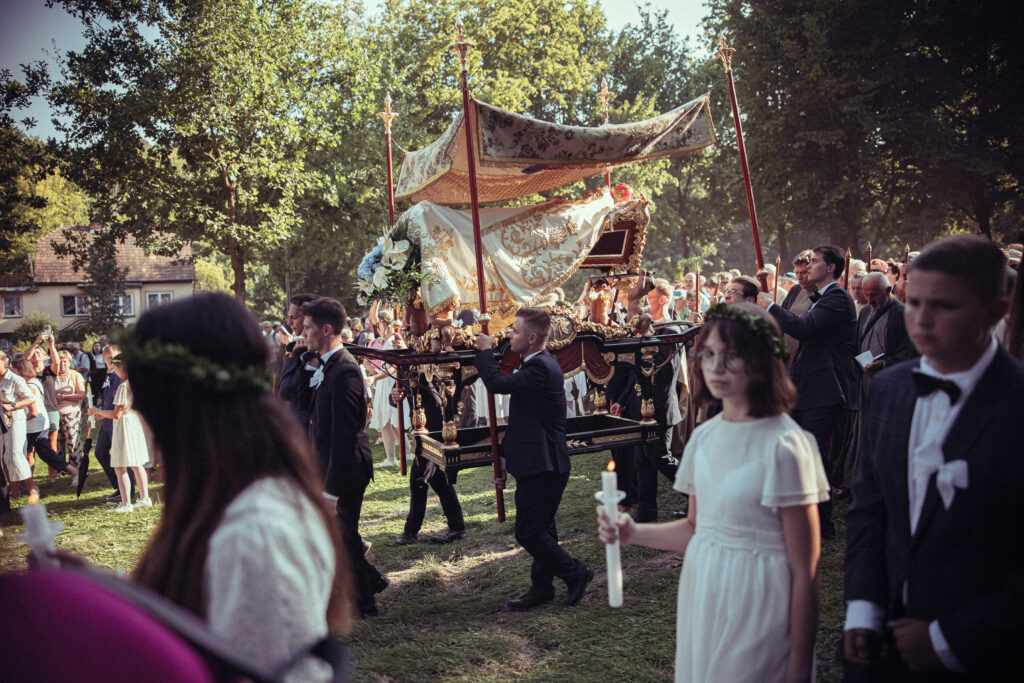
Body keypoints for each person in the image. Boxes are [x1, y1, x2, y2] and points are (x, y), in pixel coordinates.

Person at [104, 292, 355, 681]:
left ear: (183, 410)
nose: (140, 413)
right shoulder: (228, 500)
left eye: (151, 406)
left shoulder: (255, 535)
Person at [598, 303, 827, 683]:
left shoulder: (786, 445)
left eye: (732, 355)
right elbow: (696, 529)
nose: (716, 367)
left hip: (760, 596)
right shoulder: (704, 438)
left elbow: (807, 569)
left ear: (761, 360)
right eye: (708, 354)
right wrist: (632, 532)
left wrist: (800, 665)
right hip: (705, 587)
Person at [844, 235, 1024, 680]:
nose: (921, 320)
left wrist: (949, 639)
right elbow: (870, 508)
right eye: (914, 302)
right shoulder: (890, 389)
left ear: (996, 311)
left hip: (983, 651)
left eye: (943, 306)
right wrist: (863, 607)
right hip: (880, 641)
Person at [474, 307, 594, 610]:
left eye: (514, 330)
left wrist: (485, 352)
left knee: (528, 532)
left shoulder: (541, 367)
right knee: (543, 530)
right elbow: (522, 421)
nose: (509, 335)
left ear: (530, 337)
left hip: (545, 465)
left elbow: (497, 384)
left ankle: (576, 573)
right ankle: (542, 588)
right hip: (536, 462)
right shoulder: (535, 364)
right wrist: (502, 460)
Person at [761, 245, 859, 540]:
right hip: (807, 387)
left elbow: (804, 329)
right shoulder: (821, 297)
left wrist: (770, 306)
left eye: (815, 261)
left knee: (815, 456)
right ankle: (798, 517)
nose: (810, 265)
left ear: (831, 268)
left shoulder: (838, 298)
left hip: (825, 390)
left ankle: (822, 524)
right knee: (796, 453)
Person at [298, 296, 386, 618]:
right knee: (342, 537)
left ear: (326, 329)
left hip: (347, 469)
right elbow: (304, 406)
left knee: (344, 539)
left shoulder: (345, 370)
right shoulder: (326, 364)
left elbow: (344, 436)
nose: (303, 333)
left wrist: (331, 491)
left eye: (308, 327)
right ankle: (371, 584)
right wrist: (302, 363)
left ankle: (365, 605)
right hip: (331, 466)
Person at [391, 374, 468, 546]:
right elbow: (397, 393)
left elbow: (438, 400)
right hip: (421, 429)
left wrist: (422, 384)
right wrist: (395, 394)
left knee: (419, 479)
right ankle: (457, 527)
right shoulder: (406, 367)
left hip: (437, 429)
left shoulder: (432, 370)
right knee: (439, 480)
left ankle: (411, 531)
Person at [88, 356, 151, 511]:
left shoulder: (124, 386)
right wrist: (103, 414)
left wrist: (97, 411)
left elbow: (117, 414)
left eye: (116, 368)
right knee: (136, 464)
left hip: (125, 426)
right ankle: (145, 498)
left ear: (122, 368)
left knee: (120, 465)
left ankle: (126, 503)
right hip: (134, 423)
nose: (115, 371)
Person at [14, 357, 77, 484]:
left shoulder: (29, 386)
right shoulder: (35, 381)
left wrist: (17, 417)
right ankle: (23, 483)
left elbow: (33, 412)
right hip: (38, 424)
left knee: (41, 453)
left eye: (13, 369)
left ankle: (73, 471)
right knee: (41, 453)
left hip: (34, 426)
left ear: (21, 370)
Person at [1, 351, 41, 502]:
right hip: (1, 421)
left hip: (15, 421)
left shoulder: (14, 379)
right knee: (3, 457)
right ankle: (14, 490)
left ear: (3, 361)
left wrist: (12, 405)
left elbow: (30, 399)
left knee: (15, 455)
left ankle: (32, 487)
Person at [277, 292, 317, 428]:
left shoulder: (310, 352)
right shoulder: (297, 347)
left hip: (306, 428)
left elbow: (285, 391)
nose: (289, 323)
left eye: (293, 318)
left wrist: (293, 357)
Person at [53, 349, 87, 473]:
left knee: (73, 442)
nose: (62, 364)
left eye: (65, 361)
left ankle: (76, 469)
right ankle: (61, 469)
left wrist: (64, 396)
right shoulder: (53, 376)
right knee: (58, 444)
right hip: (55, 414)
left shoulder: (75, 375)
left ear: (69, 362)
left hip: (72, 413)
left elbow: (81, 395)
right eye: (60, 361)